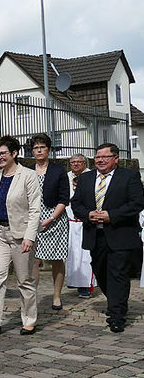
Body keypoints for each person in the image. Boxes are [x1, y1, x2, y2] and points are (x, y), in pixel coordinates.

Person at [71, 143, 144, 333]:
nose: (100, 161)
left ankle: (117, 315)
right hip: (95, 234)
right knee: (101, 271)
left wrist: (111, 215)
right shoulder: (85, 178)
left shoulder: (129, 176)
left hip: (120, 233)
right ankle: (116, 302)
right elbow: (76, 203)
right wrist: (88, 214)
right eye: (97, 157)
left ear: (116, 159)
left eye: (105, 157)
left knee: (118, 274)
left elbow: (137, 203)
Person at [0, 136, 41, 337]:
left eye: (3, 153)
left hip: (21, 234)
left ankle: (29, 320)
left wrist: (30, 237)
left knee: (24, 279)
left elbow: (35, 209)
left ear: (14, 153)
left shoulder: (28, 176)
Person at [29, 134, 70, 310]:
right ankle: (32, 296)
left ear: (49, 149)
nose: (39, 150)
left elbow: (64, 198)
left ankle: (56, 295)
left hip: (55, 217)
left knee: (56, 259)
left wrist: (52, 218)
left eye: (42, 147)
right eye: (36, 147)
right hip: (34, 218)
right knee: (33, 260)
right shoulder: (27, 171)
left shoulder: (58, 170)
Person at [66, 155, 94, 297]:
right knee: (73, 254)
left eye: (79, 162)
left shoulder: (91, 176)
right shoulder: (66, 177)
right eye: (73, 162)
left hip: (86, 221)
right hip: (70, 221)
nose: (75, 164)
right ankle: (74, 281)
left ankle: (86, 285)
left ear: (85, 163)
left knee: (85, 256)